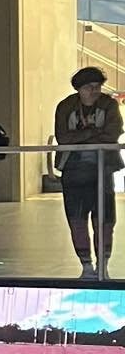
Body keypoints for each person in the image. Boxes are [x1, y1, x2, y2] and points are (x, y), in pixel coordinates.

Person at [55, 66, 122, 279]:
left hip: (103, 170)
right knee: (77, 220)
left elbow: (112, 134)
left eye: (98, 87)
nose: (94, 91)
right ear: (79, 89)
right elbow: (63, 138)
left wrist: (80, 136)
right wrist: (94, 133)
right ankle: (86, 266)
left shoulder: (109, 104)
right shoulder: (65, 106)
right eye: (89, 87)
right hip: (73, 172)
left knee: (105, 221)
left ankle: (103, 266)